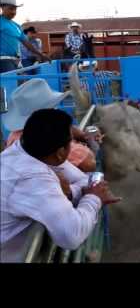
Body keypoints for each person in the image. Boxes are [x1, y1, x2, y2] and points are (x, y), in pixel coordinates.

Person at [0, 109, 121, 262]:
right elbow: (71, 234)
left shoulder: (25, 149)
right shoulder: (33, 178)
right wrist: (94, 198)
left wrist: (70, 191)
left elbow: (83, 179)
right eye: (71, 142)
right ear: (60, 152)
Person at [2, 79, 100, 172]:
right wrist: (89, 142)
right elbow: (89, 163)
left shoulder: (14, 136)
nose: (55, 110)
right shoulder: (45, 137)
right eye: (52, 108)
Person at [0, 0, 50, 73]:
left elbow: (27, 43)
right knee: (11, 83)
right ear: (2, 8)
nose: (13, 12)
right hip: (4, 60)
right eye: (10, 9)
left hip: (16, 60)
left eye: (15, 9)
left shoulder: (17, 26)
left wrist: (41, 54)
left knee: (23, 82)